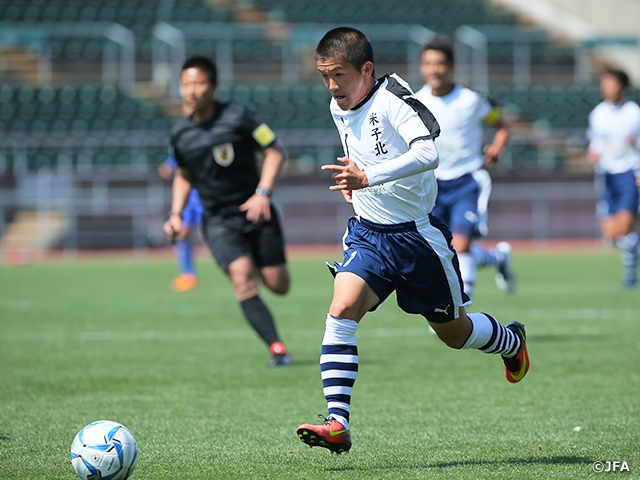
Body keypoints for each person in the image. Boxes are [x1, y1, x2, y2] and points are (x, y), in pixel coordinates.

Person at [296, 27, 530, 455]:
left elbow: (428, 153)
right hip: (368, 233)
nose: (332, 86)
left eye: (339, 75)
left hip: (417, 239)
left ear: (366, 70)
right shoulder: (339, 103)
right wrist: (356, 180)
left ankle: (511, 342)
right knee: (341, 307)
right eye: (324, 76)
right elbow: (360, 142)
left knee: (455, 334)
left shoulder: (396, 99)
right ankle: (337, 421)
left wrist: (369, 176)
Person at [163, 55, 292, 367]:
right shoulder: (180, 133)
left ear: (214, 86)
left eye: (199, 83)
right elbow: (183, 174)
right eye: (186, 84)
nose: (192, 90)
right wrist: (176, 213)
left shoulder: (239, 117)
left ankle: (259, 262)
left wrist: (263, 193)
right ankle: (277, 347)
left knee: (278, 285)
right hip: (218, 218)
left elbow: (274, 152)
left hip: (256, 210)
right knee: (242, 277)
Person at [414, 36, 515, 297]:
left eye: (440, 63)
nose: (434, 69)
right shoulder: (414, 102)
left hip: (466, 180)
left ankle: (462, 308)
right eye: (428, 63)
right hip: (432, 185)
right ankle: (497, 259)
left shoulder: (472, 100)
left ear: (452, 66)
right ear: (421, 67)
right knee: (440, 249)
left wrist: (496, 148)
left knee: (460, 245)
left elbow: (501, 125)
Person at [586, 68, 640, 288]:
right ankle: (632, 250)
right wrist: (593, 154)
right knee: (611, 233)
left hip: (629, 173)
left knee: (625, 227)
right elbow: (595, 145)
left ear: (621, 85)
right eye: (603, 83)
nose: (606, 87)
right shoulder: (598, 114)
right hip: (607, 174)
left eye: (610, 83)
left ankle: (629, 273)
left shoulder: (633, 113)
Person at [159, 103, 204, 292]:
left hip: (206, 194)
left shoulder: (209, 133)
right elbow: (172, 163)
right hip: (187, 196)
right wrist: (168, 167)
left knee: (213, 234)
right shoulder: (180, 136)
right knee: (183, 234)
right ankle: (188, 274)